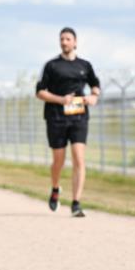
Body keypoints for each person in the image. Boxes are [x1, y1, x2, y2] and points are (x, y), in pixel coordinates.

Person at [35, 27, 101, 217]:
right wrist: (60, 99)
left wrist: (94, 96)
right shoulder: (51, 66)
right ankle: (55, 188)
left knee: (79, 158)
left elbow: (95, 84)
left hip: (79, 116)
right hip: (56, 117)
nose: (64, 42)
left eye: (68, 39)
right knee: (59, 160)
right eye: (62, 39)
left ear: (75, 42)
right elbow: (40, 92)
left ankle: (76, 203)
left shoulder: (85, 65)